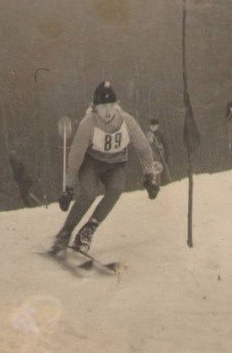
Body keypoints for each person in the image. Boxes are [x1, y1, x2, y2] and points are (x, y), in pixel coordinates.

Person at [51, 81, 159, 253]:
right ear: (95, 108)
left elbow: (144, 148)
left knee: (117, 188)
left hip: (114, 166)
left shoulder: (126, 121)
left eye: (111, 106)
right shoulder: (88, 123)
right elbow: (76, 156)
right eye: (103, 107)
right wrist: (68, 187)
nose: (108, 112)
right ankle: (65, 232)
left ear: (116, 106)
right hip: (92, 164)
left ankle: (87, 232)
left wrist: (149, 176)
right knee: (89, 193)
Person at [146, 118, 172, 184]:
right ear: (150, 126)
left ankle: (166, 183)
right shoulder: (148, 134)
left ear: (157, 126)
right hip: (152, 156)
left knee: (164, 169)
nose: (153, 127)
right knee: (155, 171)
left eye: (155, 125)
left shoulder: (161, 134)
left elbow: (165, 144)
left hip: (161, 155)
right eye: (152, 126)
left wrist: (168, 154)